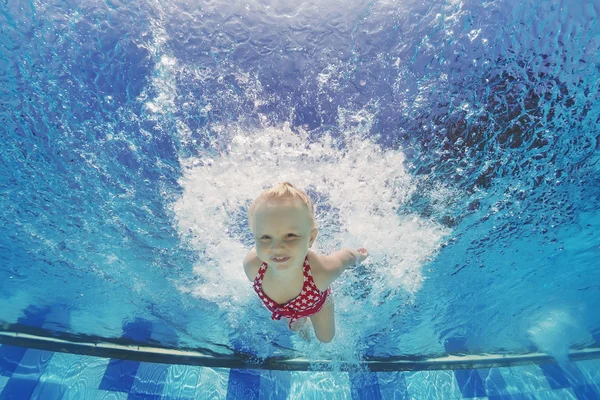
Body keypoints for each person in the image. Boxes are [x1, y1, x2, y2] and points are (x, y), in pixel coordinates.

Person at [243, 182, 369, 343]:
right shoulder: (252, 266)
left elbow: (345, 257)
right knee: (299, 331)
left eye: (290, 235)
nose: (277, 247)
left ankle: (315, 311)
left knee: (325, 338)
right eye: (265, 237)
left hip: (316, 301)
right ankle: (299, 319)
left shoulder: (321, 273)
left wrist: (360, 255)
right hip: (289, 310)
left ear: (311, 238)